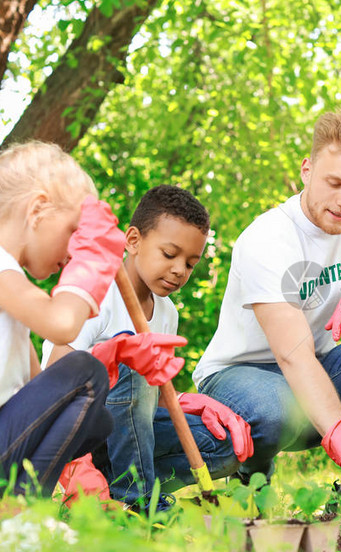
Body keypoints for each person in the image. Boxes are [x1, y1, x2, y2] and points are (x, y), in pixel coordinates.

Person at [192, 108, 341, 513]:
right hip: (243, 378)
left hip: (322, 370)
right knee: (274, 407)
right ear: (307, 170)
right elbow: (291, 354)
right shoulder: (267, 238)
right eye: (335, 183)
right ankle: (249, 485)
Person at [0, 141, 127, 524]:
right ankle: (18, 514)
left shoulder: (5, 284)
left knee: (98, 418)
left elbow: (46, 388)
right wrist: (91, 263)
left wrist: (116, 352)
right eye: (74, 232)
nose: (74, 251)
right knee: (87, 374)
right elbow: (63, 325)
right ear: (37, 209)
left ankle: (8, 512)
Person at [42, 185, 252, 512]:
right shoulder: (97, 293)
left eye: (190, 263)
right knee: (132, 358)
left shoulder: (167, 313)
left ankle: (120, 491)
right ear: (133, 241)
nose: (180, 270)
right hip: (74, 435)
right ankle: (139, 505)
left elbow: (146, 398)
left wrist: (183, 401)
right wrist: (75, 462)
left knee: (222, 442)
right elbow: (54, 379)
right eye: (169, 254)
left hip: (126, 438)